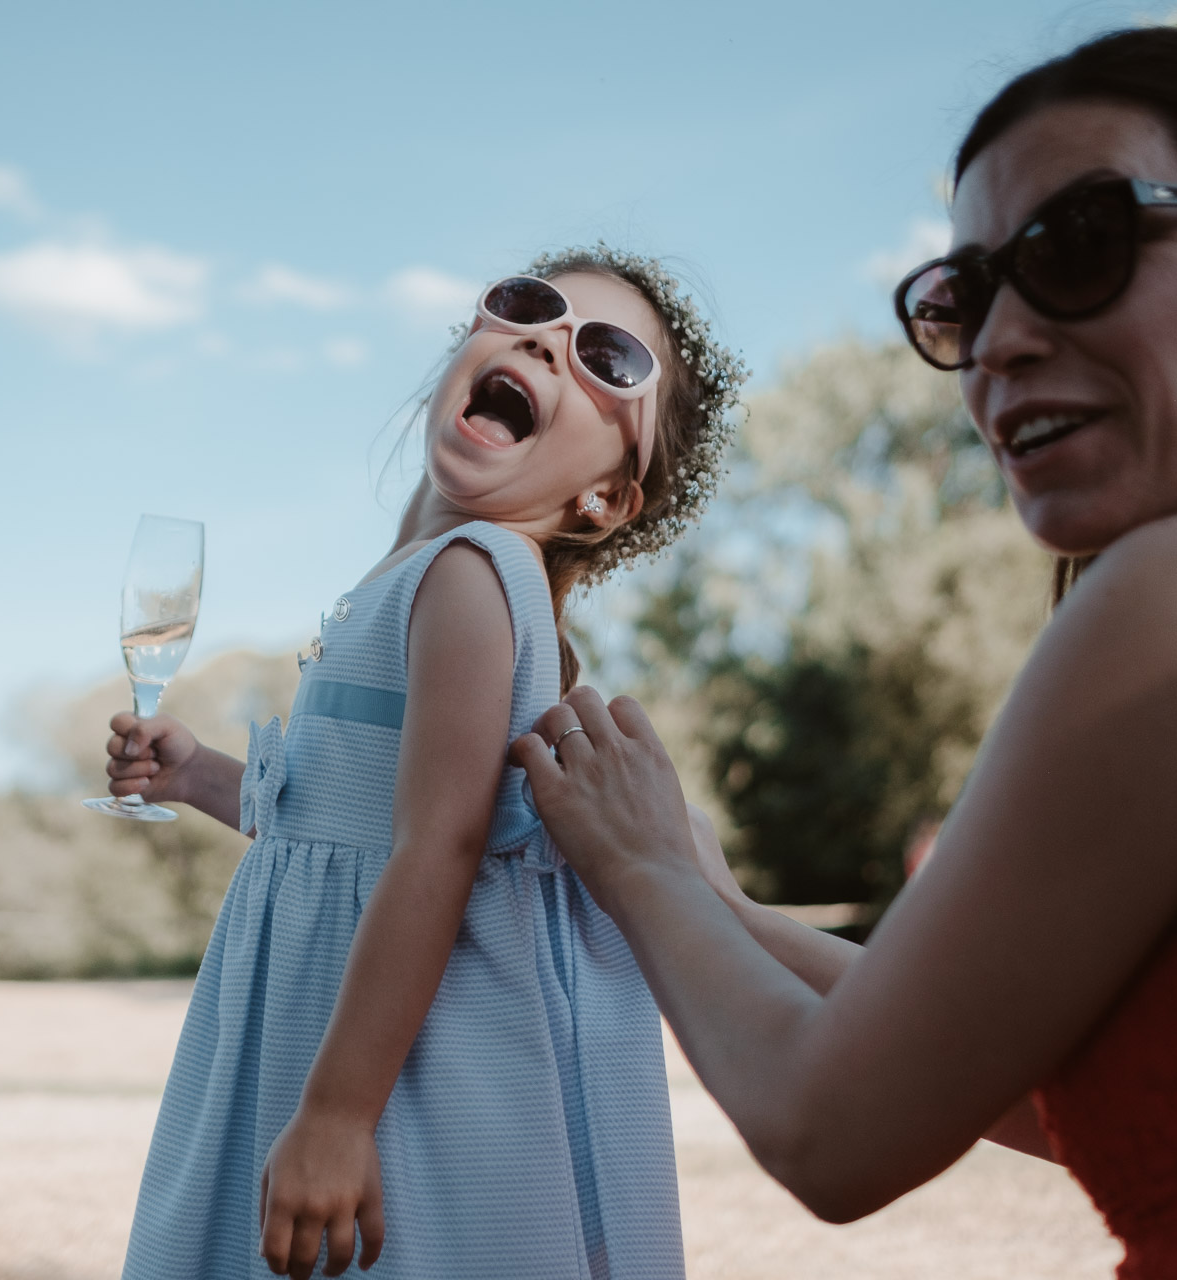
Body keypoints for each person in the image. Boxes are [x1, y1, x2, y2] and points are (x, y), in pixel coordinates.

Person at [513, 28, 1177, 1280]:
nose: (996, 343)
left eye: (1076, 247)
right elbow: (1015, 1075)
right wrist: (721, 905)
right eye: (961, 298)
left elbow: (832, 1132)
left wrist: (636, 870)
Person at [101, 246, 745, 1280]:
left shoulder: (471, 575)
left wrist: (337, 1111)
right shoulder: (416, 576)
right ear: (468, 348)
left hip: (388, 1071)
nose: (546, 338)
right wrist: (199, 775)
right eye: (528, 309)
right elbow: (344, 826)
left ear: (604, 500)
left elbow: (437, 848)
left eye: (608, 356)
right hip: (335, 1027)